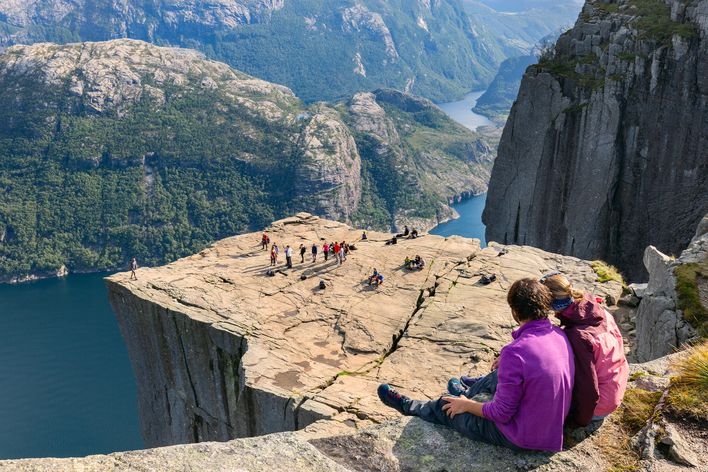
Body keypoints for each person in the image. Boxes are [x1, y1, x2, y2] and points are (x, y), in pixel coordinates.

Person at [377, 278, 575, 452]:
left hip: (522, 436)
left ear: (515, 311)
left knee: (445, 406)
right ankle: (468, 390)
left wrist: (467, 405)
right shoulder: (558, 334)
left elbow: (501, 414)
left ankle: (408, 406)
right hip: (549, 429)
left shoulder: (516, 352)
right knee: (500, 373)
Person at [540, 272, 629, 427]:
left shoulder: (578, 336)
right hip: (617, 384)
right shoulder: (595, 309)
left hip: (600, 405)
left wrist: (576, 421)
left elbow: (588, 386)